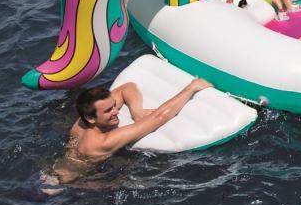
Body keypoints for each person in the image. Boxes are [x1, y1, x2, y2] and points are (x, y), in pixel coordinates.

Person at [52, 78, 211, 183]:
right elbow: (159, 117)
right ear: (91, 118)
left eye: (114, 105)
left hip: (54, 172)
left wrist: (137, 111)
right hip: (69, 186)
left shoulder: (82, 122)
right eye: (108, 111)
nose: (116, 111)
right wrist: (191, 87)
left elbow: (127, 87)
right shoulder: (103, 142)